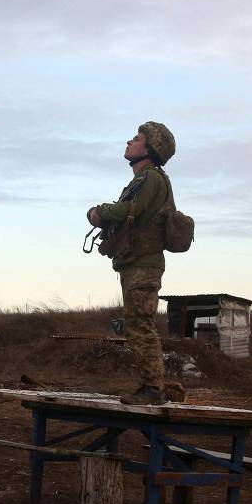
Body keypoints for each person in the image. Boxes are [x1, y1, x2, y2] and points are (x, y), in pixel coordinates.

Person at [87, 122, 176, 405]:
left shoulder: (151, 178)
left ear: (150, 149)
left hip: (143, 264)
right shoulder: (142, 180)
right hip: (135, 262)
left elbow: (131, 210)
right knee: (137, 324)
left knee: (140, 325)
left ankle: (153, 389)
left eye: (136, 139)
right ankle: (155, 385)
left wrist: (100, 211)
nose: (129, 142)